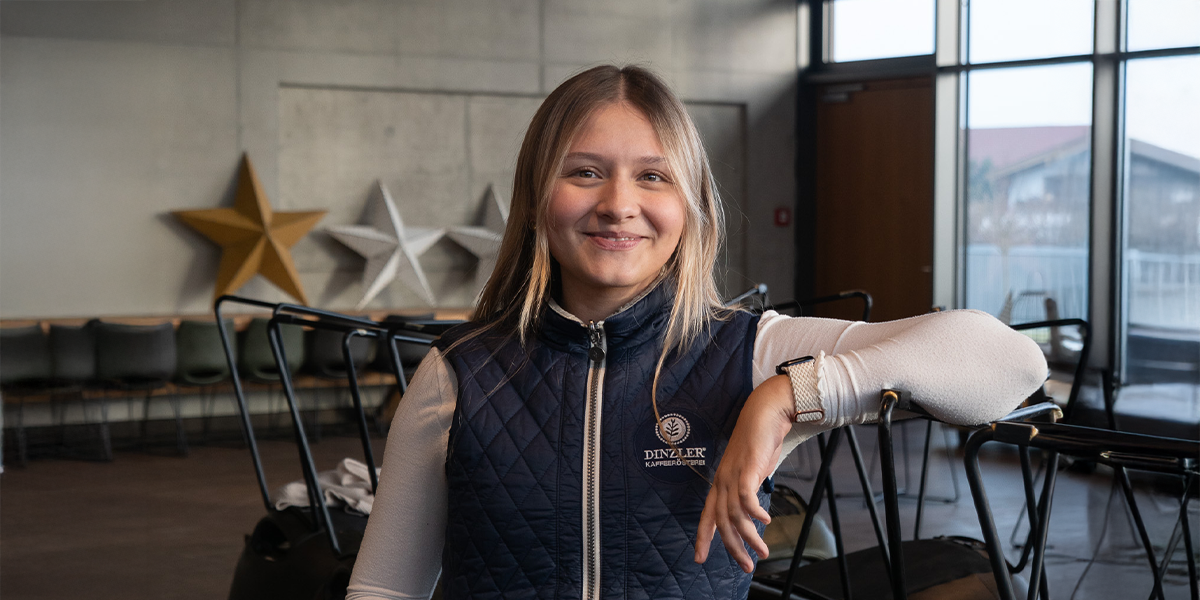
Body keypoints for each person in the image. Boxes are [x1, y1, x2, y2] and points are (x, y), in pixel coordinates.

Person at [346, 64, 1047, 600]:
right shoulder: (459, 372)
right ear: (536, 196)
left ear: (690, 205)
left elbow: (1010, 362)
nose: (619, 204)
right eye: (585, 172)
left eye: (653, 177)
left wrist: (785, 398)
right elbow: (384, 587)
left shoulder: (750, 352)